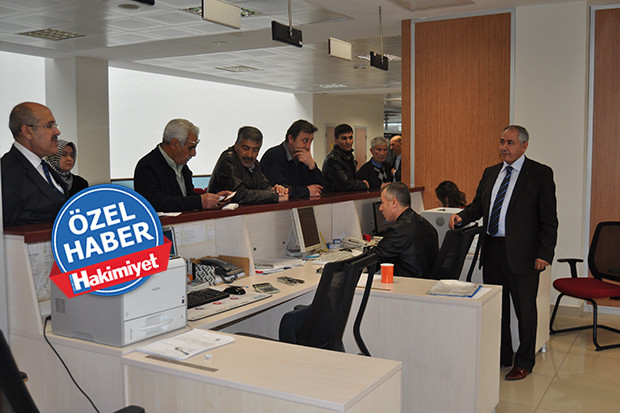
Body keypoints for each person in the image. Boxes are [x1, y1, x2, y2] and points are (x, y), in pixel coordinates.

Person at [449, 125, 558, 381]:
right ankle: (503, 355)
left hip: (524, 255)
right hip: (493, 251)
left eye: (510, 143)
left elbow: (549, 219)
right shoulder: (491, 172)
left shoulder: (540, 174)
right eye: (501, 142)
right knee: (498, 309)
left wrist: (545, 253)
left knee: (525, 311)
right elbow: (479, 205)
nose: (504, 147)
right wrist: (462, 216)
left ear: (524, 146)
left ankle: (524, 361)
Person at [134, 118, 230, 212]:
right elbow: (154, 202)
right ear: (174, 143)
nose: (194, 153)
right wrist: (198, 201)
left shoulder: (182, 166)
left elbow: (186, 197)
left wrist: (214, 198)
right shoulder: (147, 167)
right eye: (190, 148)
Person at [2, 102, 67, 227]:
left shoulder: (44, 167)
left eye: (55, 125)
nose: (57, 132)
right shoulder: (7, 173)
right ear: (28, 131)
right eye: (49, 126)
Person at [370, 182, 439, 277]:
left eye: (382, 202)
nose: (380, 208)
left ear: (394, 202)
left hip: (407, 283)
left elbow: (372, 261)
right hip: (426, 282)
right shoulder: (426, 224)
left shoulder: (397, 231)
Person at [208, 126, 288, 204]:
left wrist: (277, 190)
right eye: (245, 148)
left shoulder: (254, 163)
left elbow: (264, 186)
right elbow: (238, 194)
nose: (249, 155)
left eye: (255, 150)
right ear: (236, 146)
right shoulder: (228, 160)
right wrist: (274, 196)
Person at [260, 119, 323, 199]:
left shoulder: (303, 159)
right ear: (291, 139)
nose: (308, 146)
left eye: (311, 141)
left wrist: (312, 166)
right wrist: (306, 191)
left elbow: (320, 188)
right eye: (305, 141)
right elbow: (279, 190)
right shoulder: (273, 156)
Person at [322, 124, 369, 193]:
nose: (348, 142)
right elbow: (346, 185)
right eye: (344, 138)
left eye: (350, 138)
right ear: (336, 140)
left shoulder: (348, 156)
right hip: (335, 198)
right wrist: (363, 184)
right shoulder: (332, 159)